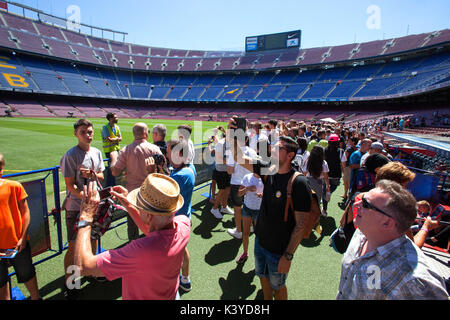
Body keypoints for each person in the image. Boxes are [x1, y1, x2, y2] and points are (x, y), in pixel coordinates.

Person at [228, 120, 313, 300]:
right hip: (260, 242)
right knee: (263, 279)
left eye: (278, 148)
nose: (272, 150)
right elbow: (237, 156)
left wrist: (288, 256)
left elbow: (301, 224)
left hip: (279, 250)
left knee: (279, 286)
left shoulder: (298, 182)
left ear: (290, 155)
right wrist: (232, 133)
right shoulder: (268, 169)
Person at [74, 174, 190, 300]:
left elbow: (82, 266)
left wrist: (85, 216)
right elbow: (155, 231)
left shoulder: (140, 251)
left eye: (139, 205)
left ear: (149, 216)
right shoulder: (183, 224)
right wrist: (128, 205)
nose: (137, 206)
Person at [337, 179, 449, 299]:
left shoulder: (414, 280)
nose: (355, 204)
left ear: (387, 222)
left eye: (365, 204)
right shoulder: (362, 233)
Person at [60, 119, 105, 300]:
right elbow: (70, 185)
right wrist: (85, 198)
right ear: (76, 134)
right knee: (73, 247)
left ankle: (91, 271)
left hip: (94, 206)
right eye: (84, 132)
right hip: (76, 208)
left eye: (90, 132)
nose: (89, 135)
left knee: (93, 239)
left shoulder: (97, 152)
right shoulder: (71, 155)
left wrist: (92, 174)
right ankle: (71, 284)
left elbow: (101, 174)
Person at [110, 122, 163, 241]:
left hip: (132, 194)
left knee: (133, 222)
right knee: (151, 221)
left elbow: (115, 171)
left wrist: (113, 157)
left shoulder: (126, 150)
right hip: (150, 193)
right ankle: (152, 243)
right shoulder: (154, 148)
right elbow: (163, 169)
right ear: (145, 133)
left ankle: (134, 247)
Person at [0, 153, 40, 300]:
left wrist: (22, 238)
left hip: (17, 244)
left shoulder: (14, 186)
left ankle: (36, 297)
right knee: (1, 281)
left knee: (27, 272)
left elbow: (25, 212)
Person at [165, 139, 196, 293]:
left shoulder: (179, 175)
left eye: (168, 150)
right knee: (182, 249)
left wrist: (153, 172)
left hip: (175, 221)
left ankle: (178, 279)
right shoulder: (189, 168)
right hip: (184, 217)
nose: (165, 153)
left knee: (176, 252)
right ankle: (185, 278)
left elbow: (161, 194)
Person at [226, 135, 257, 240]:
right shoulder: (252, 151)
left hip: (237, 183)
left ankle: (239, 231)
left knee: (237, 208)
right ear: (247, 140)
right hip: (250, 182)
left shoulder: (232, 153)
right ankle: (251, 226)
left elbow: (230, 171)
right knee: (249, 206)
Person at [236, 172, 264, 264]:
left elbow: (271, 194)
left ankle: (260, 257)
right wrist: (247, 189)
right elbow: (239, 193)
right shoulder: (247, 177)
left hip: (259, 211)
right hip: (247, 209)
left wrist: (262, 195)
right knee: (245, 233)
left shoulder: (265, 179)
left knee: (259, 235)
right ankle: (245, 253)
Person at [210, 131, 233, 219]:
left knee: (227, 189)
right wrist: (231, 163)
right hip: (221, 170)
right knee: (222, 190)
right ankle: (215, 208)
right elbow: (219, 158)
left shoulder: (229, 143)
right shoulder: (221, 143)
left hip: (227, 170)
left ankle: (224, 206)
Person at [323, 134, 346, 215]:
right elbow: (343, 165)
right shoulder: (341, 151)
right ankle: (327, 194)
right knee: (330, 190)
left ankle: (324, 209)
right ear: (338, 142)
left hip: (325, 175)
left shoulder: (324, 150)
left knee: (325, 191)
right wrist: (344, 176)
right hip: (336, 176)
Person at [305, 145, 330, 216]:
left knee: (308, 199)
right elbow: (326, 176)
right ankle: (315, 217)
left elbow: (304, 172)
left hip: (308, 181)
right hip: (318, 183)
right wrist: (328, 186)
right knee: (317, 200)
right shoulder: (323, 163)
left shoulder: (308, 161)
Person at [102, 113, 122, 187]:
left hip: (116, 149)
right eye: (115, 117)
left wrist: (115, 139)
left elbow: (120, 138)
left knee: (115, 166)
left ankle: (113, 183)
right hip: (109, 150)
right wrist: (116, 139)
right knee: (111, 167)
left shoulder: (117, 127)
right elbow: (108, 139)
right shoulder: (105, 128)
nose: (117, 118)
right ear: (111, 119)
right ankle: (109, 185)